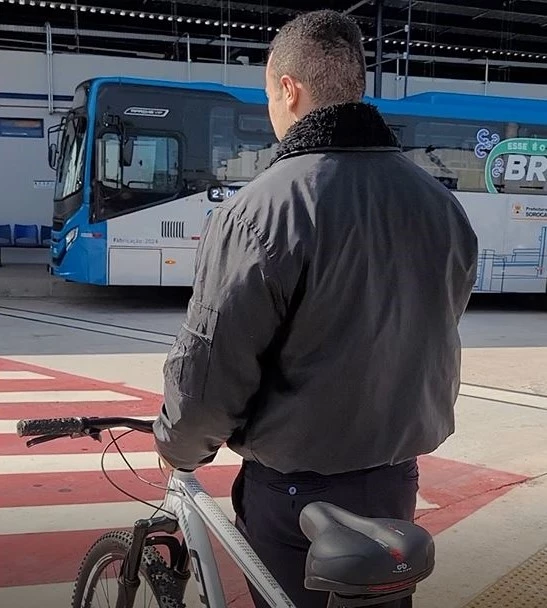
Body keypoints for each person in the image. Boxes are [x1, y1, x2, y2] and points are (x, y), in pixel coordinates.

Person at [153, 8, 478, 608]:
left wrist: (179, 445)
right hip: (394, 482)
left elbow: (213, 362)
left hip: (295, 495)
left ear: (288, 88)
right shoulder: (440, 205)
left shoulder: (261, 210)